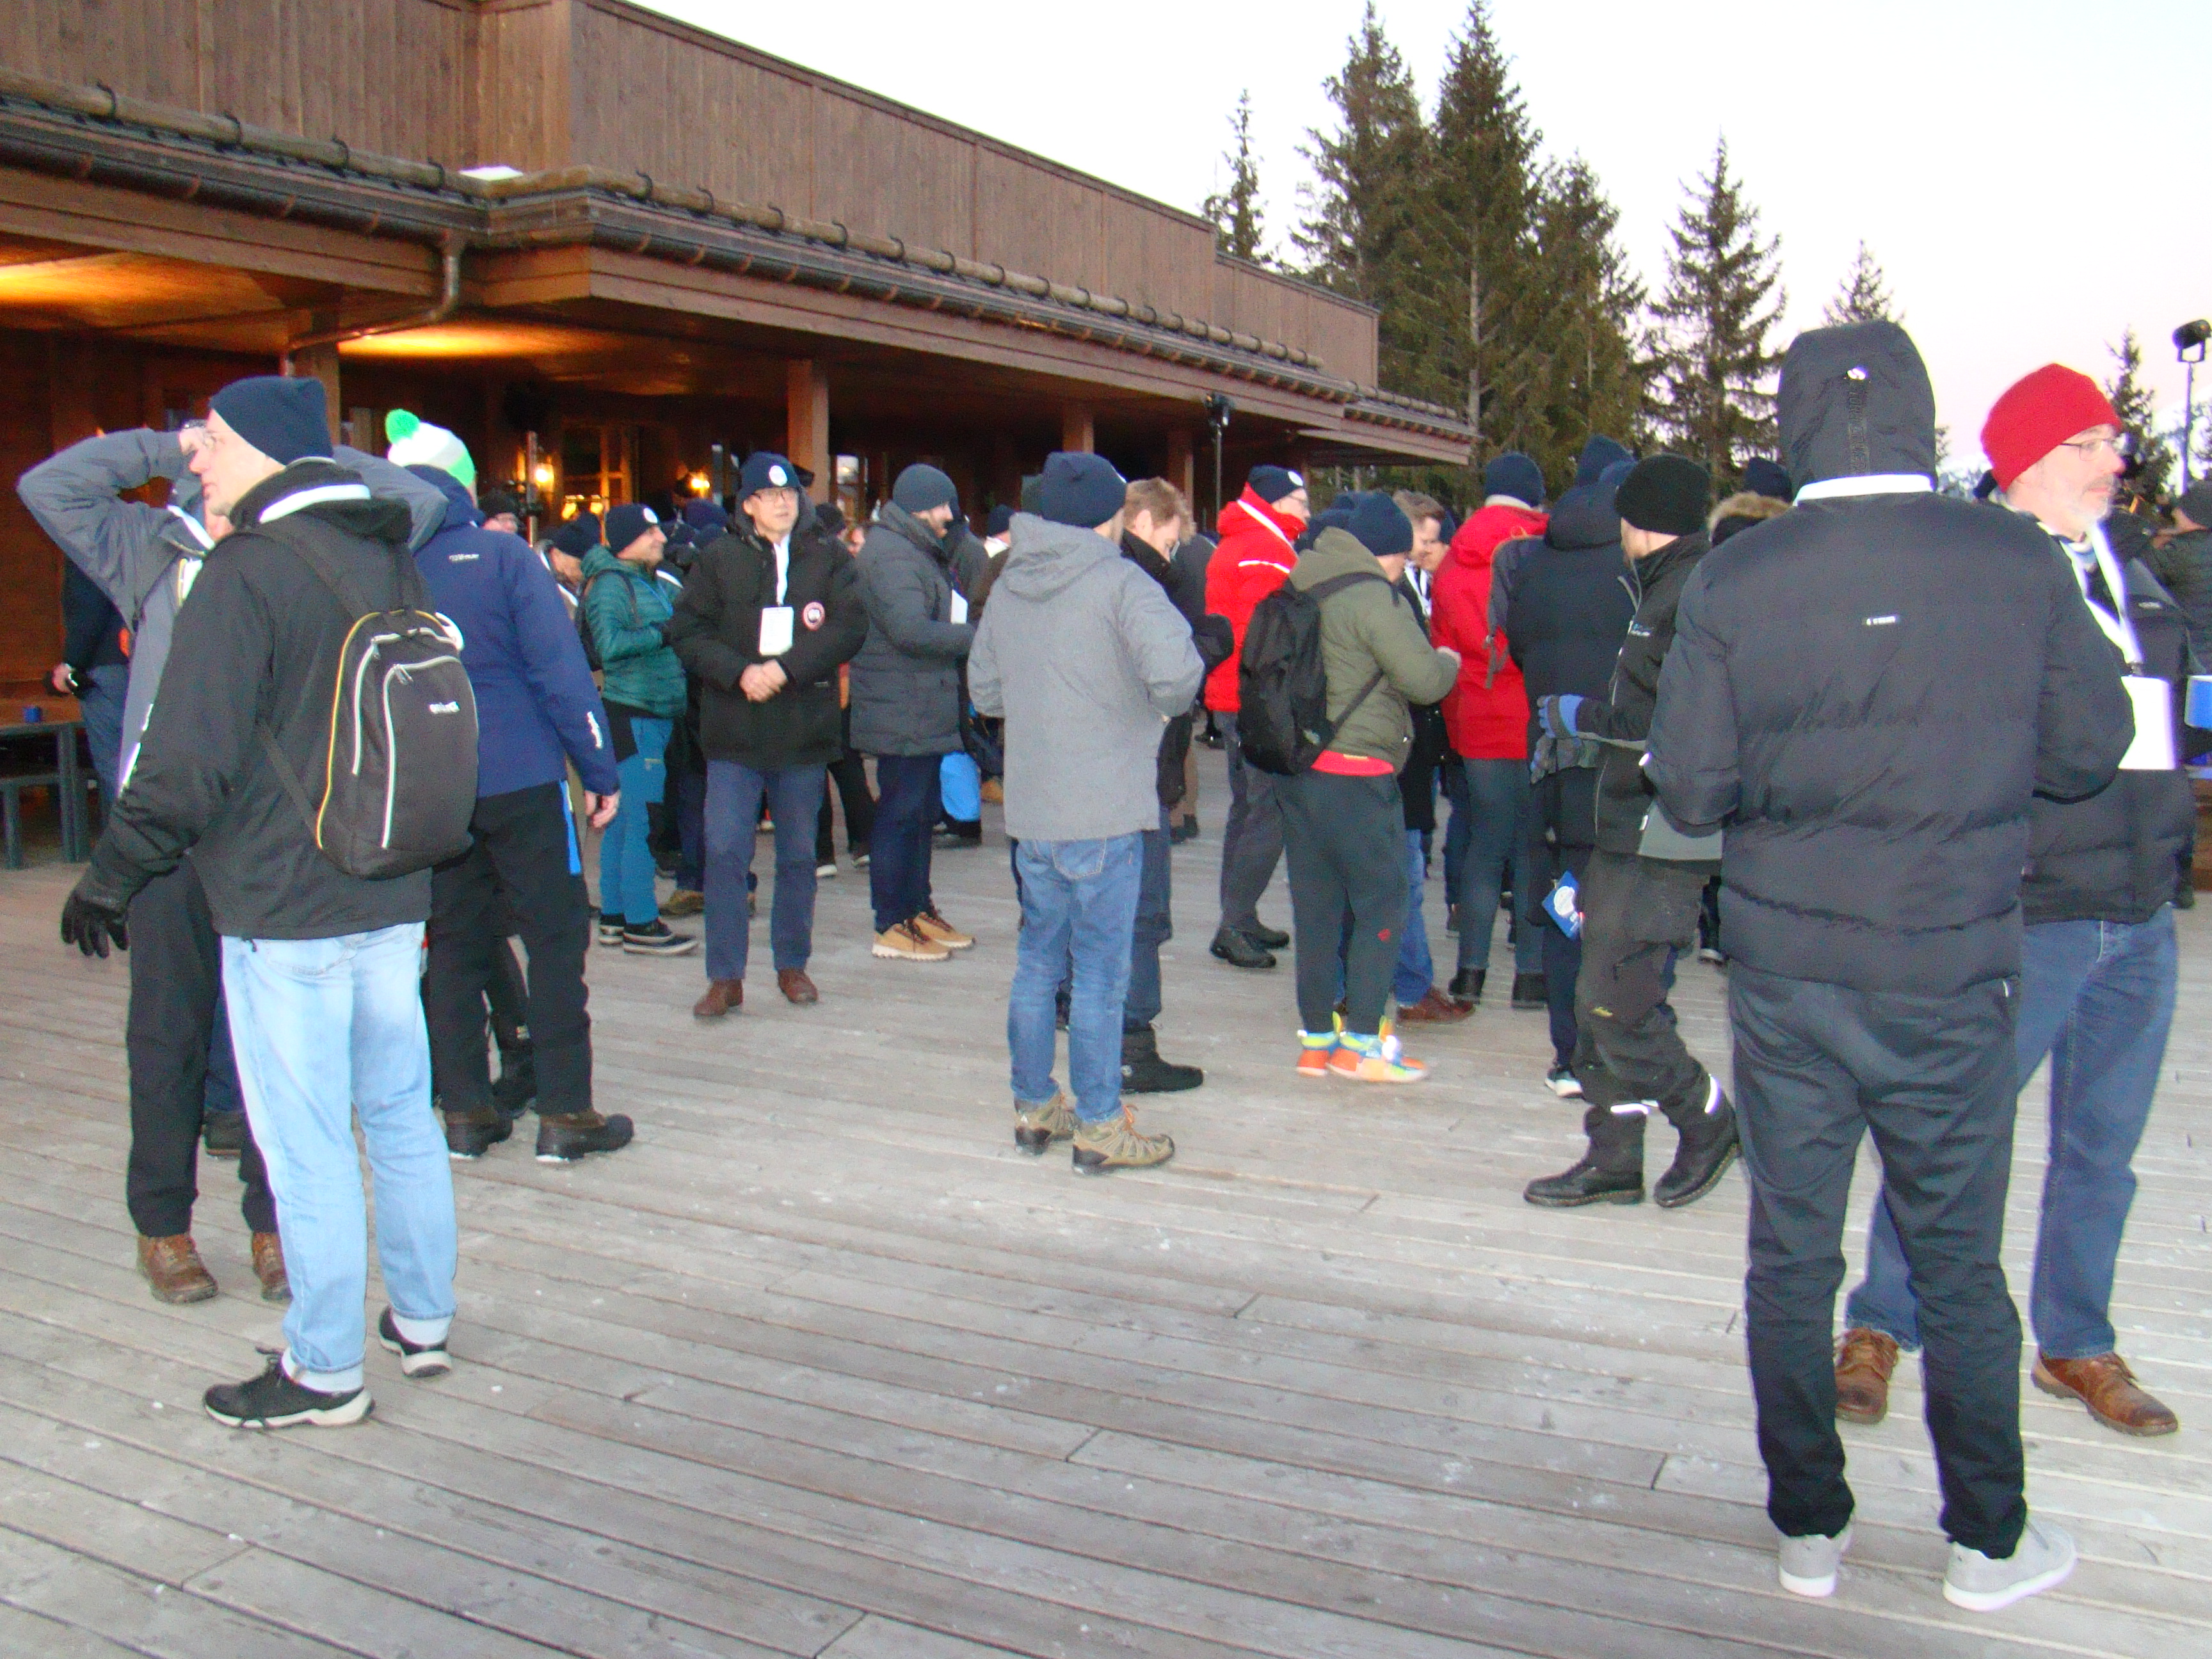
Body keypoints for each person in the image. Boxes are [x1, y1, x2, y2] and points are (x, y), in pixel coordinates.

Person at [1647, 321, 2131, 1610]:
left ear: (1796, 422)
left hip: (1789, 972)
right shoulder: (2014, 560)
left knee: (1792, 1255)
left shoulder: (1737, 576)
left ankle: (1809, 1528)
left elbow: (1689, 790)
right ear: (1919, 414)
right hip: (1951, 964)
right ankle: (1986, 1541)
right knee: (1958, 1261)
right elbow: (2088, 750)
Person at [57, 373, 467, 1429]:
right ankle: (422, 1319)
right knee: (400, 1117)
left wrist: (110, 878)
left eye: (212, 438)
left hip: (287, 905)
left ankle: (323, 1369)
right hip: (392, 882)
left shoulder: (248, 569)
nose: (193, 455)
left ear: (266, 452)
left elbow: (185, 760)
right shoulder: (386, 552)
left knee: (305, 1141)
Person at [1834, 363, 2205, 1443]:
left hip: (2139, 908)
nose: (2117, 462)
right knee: (1954, 1129)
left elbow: (2175, 707)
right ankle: (1881, 1321)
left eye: (2113, 443)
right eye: (2095, 444)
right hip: (2025, 908)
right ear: (2034, 458)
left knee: (2104, 1147)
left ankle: (2076, 1339)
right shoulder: (1979, 577)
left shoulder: (2133, 571)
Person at [969, 453, 1203, 1172]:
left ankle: (1035, 1106)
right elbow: (1179, 678)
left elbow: (984, 691)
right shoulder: (1122, 582)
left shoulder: (1012, 580)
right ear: (1111, 516)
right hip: (1104, 808)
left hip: (1033, 811)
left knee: (1039, 965)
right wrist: (1141, 707)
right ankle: (1101, 1123)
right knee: (1101, 974)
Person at [1523, 455, 1736, 1210]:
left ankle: (1707, 1117)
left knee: (1617, 997)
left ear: (1641, 522)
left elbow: (1671, 718)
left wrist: (1581, 718)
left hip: (1663, 829)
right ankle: (1613, 1153)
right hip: (1628, 820)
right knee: (1598, 992)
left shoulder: (1689, 596)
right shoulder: (1660, 587)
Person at [406, 459, 631, 1163]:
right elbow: (559, 670)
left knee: (454, 946)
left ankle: (466, 1112)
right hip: (522, 774)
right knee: (555, 941)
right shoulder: (504, 557)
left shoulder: (390, 569)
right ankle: (565, 1112)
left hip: (435, 787)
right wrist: (598, 767)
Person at [668, 453, 867, 1016]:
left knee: (800, 856)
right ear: (749, 505)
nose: (783, 502)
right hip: (735, 733)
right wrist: (740, 672)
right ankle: (725, 976)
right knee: (725, 852)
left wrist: (787, 669)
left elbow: (850, 625)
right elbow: (687, 630)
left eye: (789, 494)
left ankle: (792, 964)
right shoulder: (719, 558)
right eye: (770, 495)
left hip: (802, 732)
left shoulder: (827, 556)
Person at [1279, 496, 1459, 1083]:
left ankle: (1316, 1043)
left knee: (1317, 912)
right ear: (1387, 553)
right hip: (1358, 775)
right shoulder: (1373, 597)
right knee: (1383, 904)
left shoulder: (1300, 582)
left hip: (1299, 773)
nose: (1404, 570)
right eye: (1402, 559)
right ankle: (1361, 1045)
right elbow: (1425, 681)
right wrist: (1449, 660)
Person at [1503, 472, 1636, 1094]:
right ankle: (1613, 1052)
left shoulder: (1533, 567)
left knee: (1566, 909)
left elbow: (1520, 647)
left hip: (1551, 758)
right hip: (1618, 762)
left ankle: (1568, 1056)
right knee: (1621, 918)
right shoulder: (1631, 575)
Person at [1117, 477, 1231, 1089]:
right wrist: (1206, 645)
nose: (1173, 552)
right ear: (1143, 523)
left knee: (1080, 913)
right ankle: (1133, 1045)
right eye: (1169, 539)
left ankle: (1090, 1020)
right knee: (1142, 911)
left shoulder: (1111, 578)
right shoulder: (1136, 583)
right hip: (1138, 771)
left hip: (1103, 774)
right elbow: (1162, 676)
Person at [1432, 453, 1547, 1011]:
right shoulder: (1543, 551)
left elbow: (1442, 647)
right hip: (1531, 715)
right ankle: (1531, 974)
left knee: (1484, 845)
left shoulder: (1454, 559)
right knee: (1530, 847)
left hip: (1476, 718)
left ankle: (1470, 973)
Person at [850, 463, 978, 962]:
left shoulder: (913, 549)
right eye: (943, 505)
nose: (950, 516)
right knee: (900, 814)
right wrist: (975, 637)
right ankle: (891, 921)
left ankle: (917, 909)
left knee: (920, 813)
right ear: (921, 506)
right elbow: (909, 630)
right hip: (900, 705)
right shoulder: (891, 555)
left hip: (920, 702)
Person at [1203, 465, 1311, 970]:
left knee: (1248, 809)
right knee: (1269, 812)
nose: (1307, 512)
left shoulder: (1244, 540)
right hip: (1256, 700)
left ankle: (1239, 916)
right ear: (1277, 502)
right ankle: (1234, 922)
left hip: (1233, 694)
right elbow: (1266, 639)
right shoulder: (1266, 550)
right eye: (1301, 501)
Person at [582, 504, 694, 956]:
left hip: (649, 711)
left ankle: (614, 916)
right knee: (642, 822)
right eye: (651, 533)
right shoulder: (612, 585)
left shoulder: (642, 579)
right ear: (629, 540)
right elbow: (609, 646)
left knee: (625, 820)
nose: (661, 539)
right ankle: (642, 922)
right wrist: (665, 633)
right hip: (634, 713)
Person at [1384, 492, 1467, 1025]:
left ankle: (1393, 982)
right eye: (1424, 539)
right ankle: (1412, 986)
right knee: (1405, 873)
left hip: (1410, 749)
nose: (1429, 549)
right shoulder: (1391, 593)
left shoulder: (1407, 584)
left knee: (1403, 869)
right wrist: (1441, 664)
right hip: (1402, 750)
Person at [52, 562, 130, 803]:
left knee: (117, 769)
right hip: (143, 660)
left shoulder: (87, 550)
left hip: (107, 668)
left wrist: (70, 663)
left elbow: (88, 610)